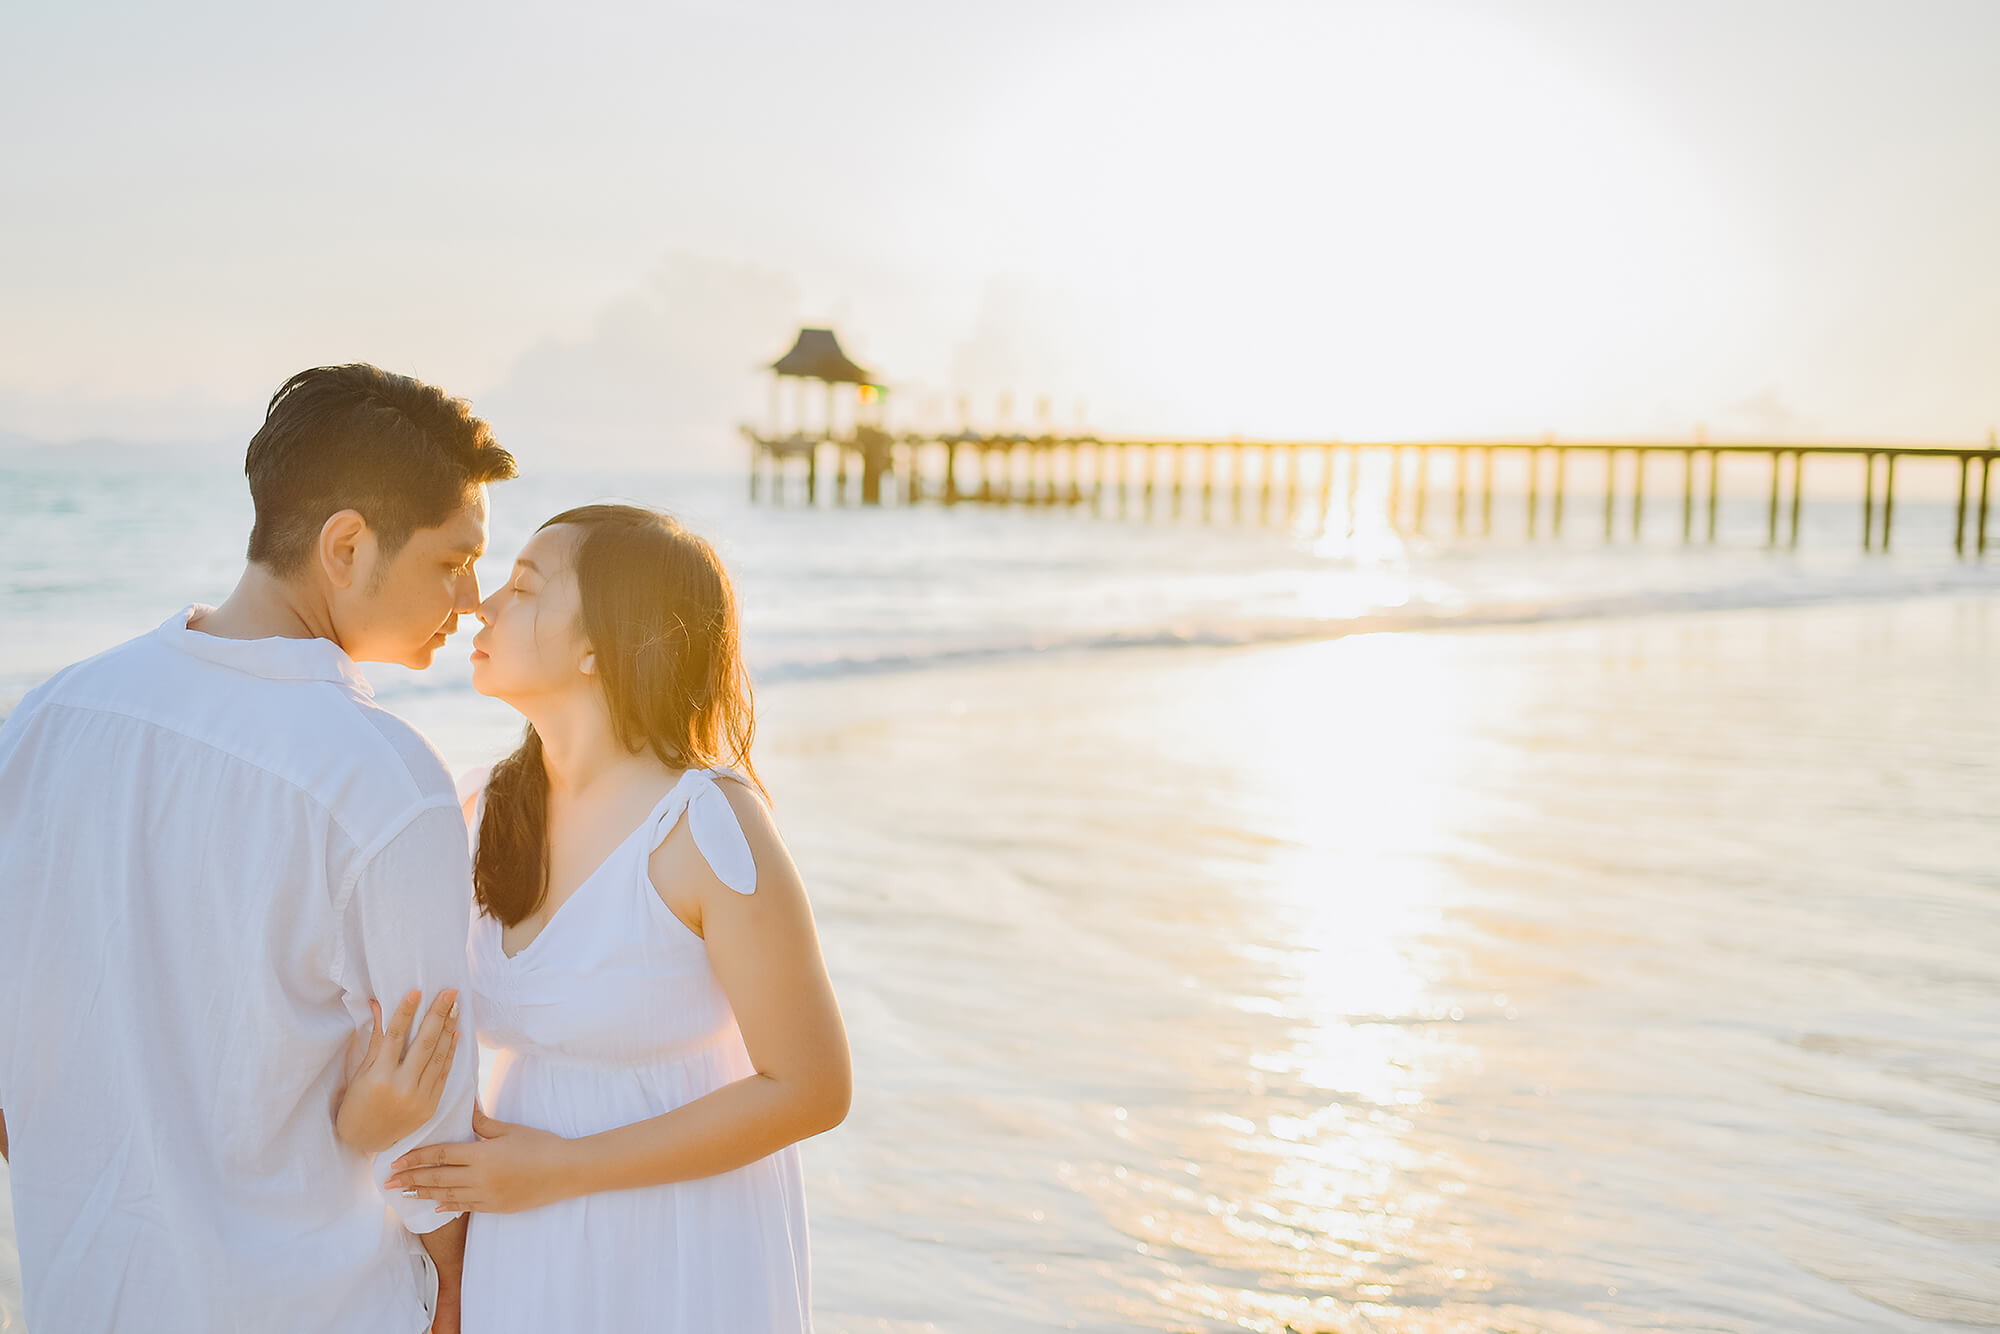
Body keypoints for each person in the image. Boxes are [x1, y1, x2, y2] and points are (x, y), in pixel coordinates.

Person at [0, 364, 514, 1333]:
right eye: (453, 560)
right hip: (311, 1302)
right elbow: (433, 1131)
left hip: (85, 1290)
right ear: (347, 544)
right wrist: (451, 1294)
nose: (474, 598)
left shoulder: (51, 715)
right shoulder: (382, 780)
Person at [378, 504, 851, 1332]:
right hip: (524, 1233)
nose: (482, 605)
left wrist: (566, 1170)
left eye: (524, 587)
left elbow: (811, 1088)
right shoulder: (482, 808)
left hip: (682, 1235)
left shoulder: (705, 823)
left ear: (604, 642)